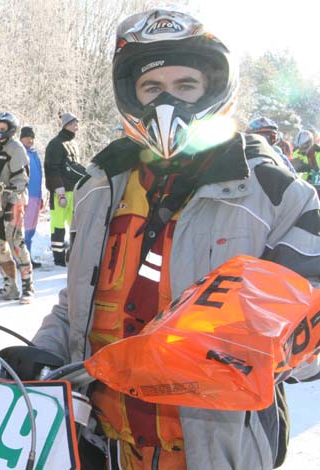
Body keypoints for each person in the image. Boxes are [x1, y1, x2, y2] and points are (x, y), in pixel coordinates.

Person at [33, 9, 320, 470]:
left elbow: (311, 346)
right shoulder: (101, 187)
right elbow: (78, 305)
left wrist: (236, 348)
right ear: (132, 94)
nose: (167, 103)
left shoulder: (275, 194)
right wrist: (42, 352)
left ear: (213, 88)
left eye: (185, 86)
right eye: (152, 88)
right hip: (102, 443)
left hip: (214, 448)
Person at [0, 112, 34, 303]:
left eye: (3, 128)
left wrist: (11, 191)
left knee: (16, 242)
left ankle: (28, 287)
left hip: (14, 200)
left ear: (11, 129)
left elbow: (22, 178)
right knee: (0, 245)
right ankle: (9, 286)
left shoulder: (16, 148)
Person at [44, 111, 86, 266]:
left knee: (74, 225)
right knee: (58, 226)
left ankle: (73, 255)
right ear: (66, 125)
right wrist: (59, 191)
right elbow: (51, 169)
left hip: (74, 191)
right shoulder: (55, 144)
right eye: (74, 124)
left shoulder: (73, 144)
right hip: (59, 193)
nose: (77, 127)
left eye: (77, 124)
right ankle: (59, 259)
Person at [20, 125, 43, 268]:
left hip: (36, 196)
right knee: (23, 229)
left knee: (31, 229)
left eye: (32, 137)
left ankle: (27, 256)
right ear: (22, 138)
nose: (30, 140)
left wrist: (41, 196)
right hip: (25, 196)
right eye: (28, 137)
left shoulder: (34, 154)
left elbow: (39, 176)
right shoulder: (20, 153)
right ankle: (21, 259)